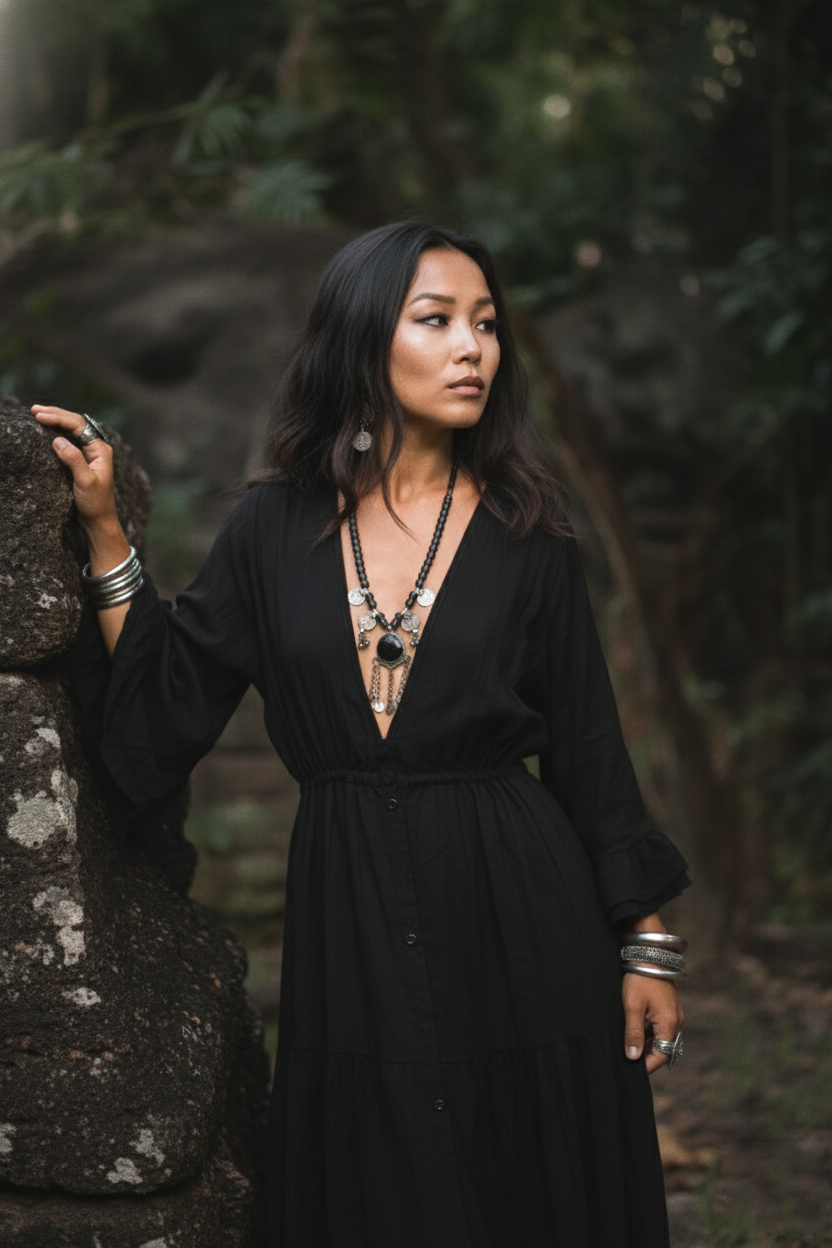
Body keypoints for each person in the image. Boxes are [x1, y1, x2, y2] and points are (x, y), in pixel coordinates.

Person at [34, 220, 689, 1248]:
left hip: (520, 901)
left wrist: (646, 944)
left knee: (532, 1177)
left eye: (484, 323)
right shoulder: (269, 530)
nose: (473, 346)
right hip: (348, 912)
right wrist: (109, 535)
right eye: (436, 320)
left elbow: (588, 751)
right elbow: (163, 709)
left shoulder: (530, 533)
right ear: (361, 340)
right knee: (381, 1181)